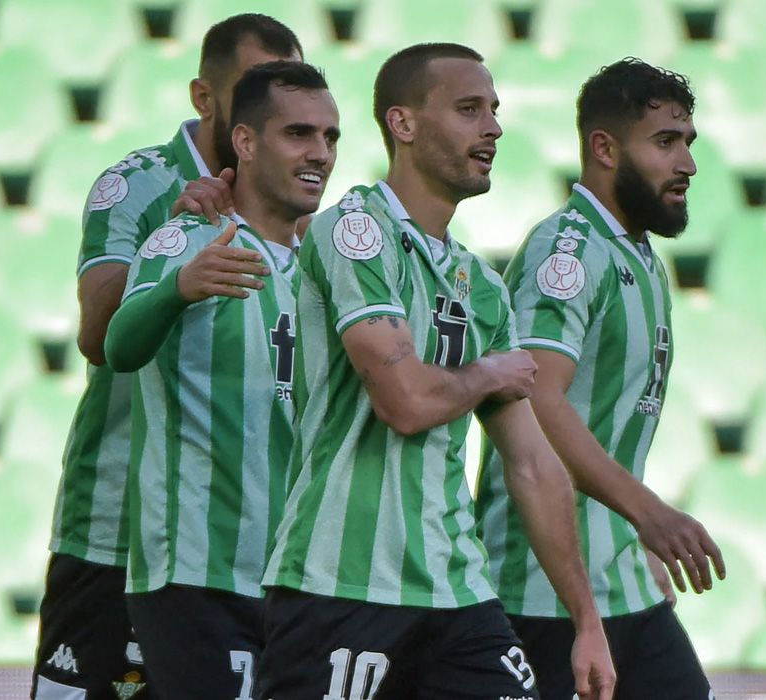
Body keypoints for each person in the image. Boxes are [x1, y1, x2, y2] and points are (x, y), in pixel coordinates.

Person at [255, 43, 616, 700]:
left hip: (458, 594)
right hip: (340, 587)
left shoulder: (484, 287)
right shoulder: (353, 233)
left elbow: (532, 465)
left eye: (494, 111)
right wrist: (489, 373)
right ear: (404, 123)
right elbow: (406, 404)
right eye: (469, 109)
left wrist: (586, 621)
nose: (493, 128)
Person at [32, 15, 303, 700]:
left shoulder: (295, 211)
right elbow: (99, 335)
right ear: (204, 98)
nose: (272, 102)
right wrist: (179, 240)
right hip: (119, 524)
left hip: (239, 542)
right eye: (254, 85)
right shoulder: (138, 185)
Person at [475, 58, 724, 700]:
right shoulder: (569, 252)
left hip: (623, 582)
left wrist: (631, 536)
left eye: (688, 143)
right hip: (540, 593)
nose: (687, 164)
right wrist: (648, 513)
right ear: (605, 149)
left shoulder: (638, 256)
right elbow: (537, 397)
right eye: (665, 143)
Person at [102, 60, 339, 699]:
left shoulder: (324, 267)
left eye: (330, 137)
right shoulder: (189, 237)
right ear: (246, 142)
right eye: (298, 134)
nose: (320, 153)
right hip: (197, 573)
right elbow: (118, 347)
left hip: (295, 580)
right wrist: (177, 290)